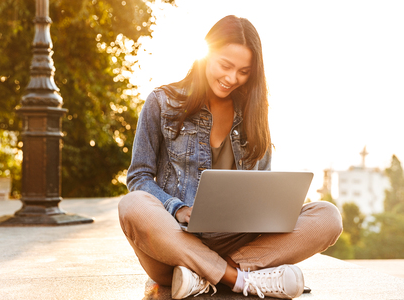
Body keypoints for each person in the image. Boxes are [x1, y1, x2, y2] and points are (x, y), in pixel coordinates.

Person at [118, 15, 342, 299]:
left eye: (243, 71)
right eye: (225, 65)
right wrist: (176, 208)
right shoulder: (162, 102)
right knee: (132, 205)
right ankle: (242, 280)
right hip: (175, 243)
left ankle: (206, 277)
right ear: (206, 54)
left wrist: (269, 215)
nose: (231, 78)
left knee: (328, 217)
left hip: (238, 245)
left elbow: (263, 190)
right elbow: (138, 177)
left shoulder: (254, 115)